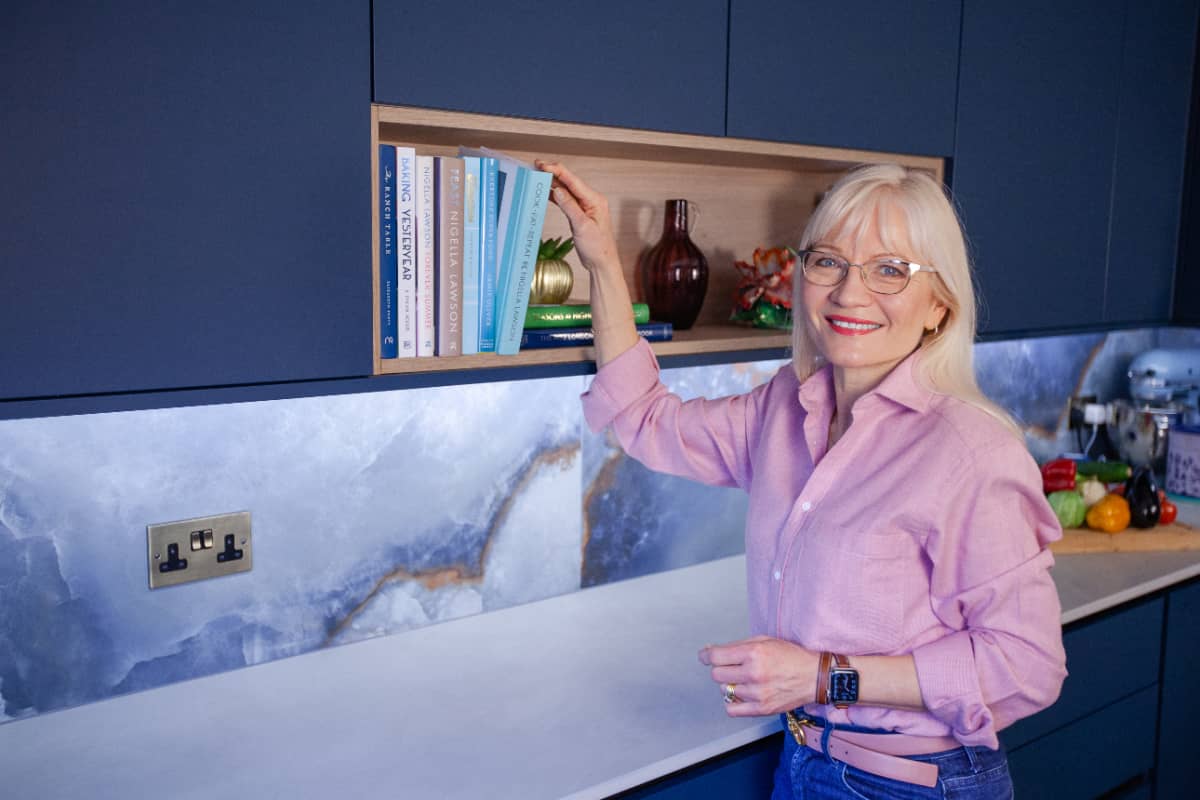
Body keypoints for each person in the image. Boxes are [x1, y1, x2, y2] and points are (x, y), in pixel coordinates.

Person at [537, 158, 1067, 799]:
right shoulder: (785, 406)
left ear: (938, 307)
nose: (849, 293)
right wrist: (600, 260)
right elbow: (644, 420)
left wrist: (822, 677)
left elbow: (1027, 665)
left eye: (890, 270)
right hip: (804, 762)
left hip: (914, 785)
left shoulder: (971, 454)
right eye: (828, 262)